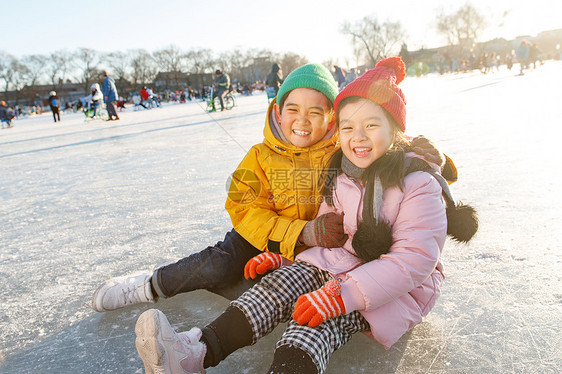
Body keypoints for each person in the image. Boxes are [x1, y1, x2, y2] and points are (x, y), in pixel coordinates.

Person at [133, 57, 477, 374]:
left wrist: (339, 296)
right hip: (328, 259)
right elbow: (327, 232)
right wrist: (285, 258)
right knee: (274, 287)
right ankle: (193, 352)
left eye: (372, 125)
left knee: (309, 323)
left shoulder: (416, 184)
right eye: (348, 128)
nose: (358, 137)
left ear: (396, 131)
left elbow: (413, 262)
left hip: (387, 289)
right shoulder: (337, 169)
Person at [91, 63, 452, 313]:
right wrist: (301, 231)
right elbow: (243, 207)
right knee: (220, 266)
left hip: (322, 247)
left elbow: (379, 138)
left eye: (316, 111)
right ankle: (149, 285)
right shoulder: (260, 156)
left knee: (269, 291)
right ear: (278, 112)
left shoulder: (339, 147)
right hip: (267, 234)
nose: (302, 120)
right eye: (293, 109)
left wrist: (430, 157)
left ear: (331, 118)